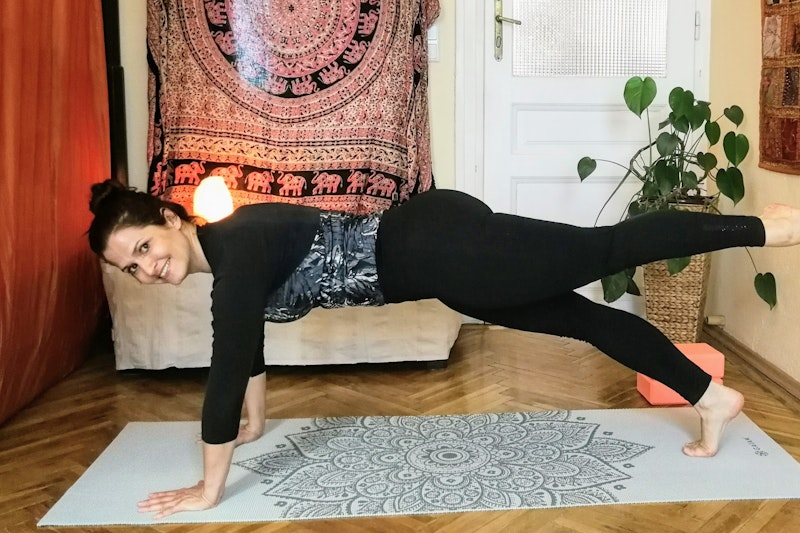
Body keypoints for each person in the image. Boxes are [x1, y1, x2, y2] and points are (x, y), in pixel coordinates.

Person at [88, 179, 800, 518]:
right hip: (444, 263)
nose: (146, 269)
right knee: (584, 320)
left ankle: (765, 229)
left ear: (171, 218)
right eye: (130, 268)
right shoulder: (231, 254)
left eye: (144, 247)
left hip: (447, 250)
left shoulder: (236, 252)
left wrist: (211, 487)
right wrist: (253, 422)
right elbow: (244, 349)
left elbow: (226, 361)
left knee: (604, 248)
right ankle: (711, 398)